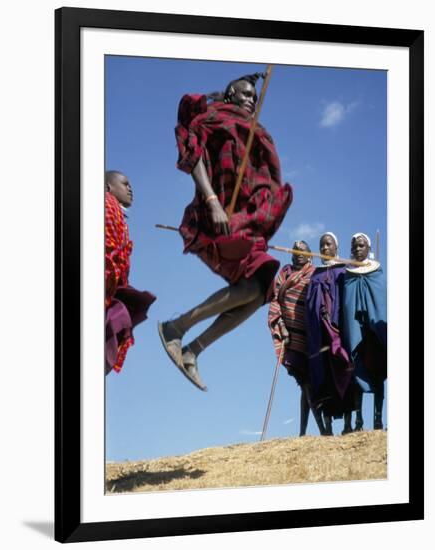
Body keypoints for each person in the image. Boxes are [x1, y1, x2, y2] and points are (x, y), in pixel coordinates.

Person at [158, 73, 292, 391]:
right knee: (259, 280)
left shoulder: (254, 131)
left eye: (254, 97)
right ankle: (176, 328)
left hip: (243, 220)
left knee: (259, 292)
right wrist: (212, 198)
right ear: (230, 94)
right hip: (216, 214)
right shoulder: (214, 119)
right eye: (244, 94)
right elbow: (193, 156)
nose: (250, 99)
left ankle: (190, 348)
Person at [268, 240, 326, 436]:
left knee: (307, 384)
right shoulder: (284, 273)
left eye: (303, 251)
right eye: (295, 251)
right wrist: (281, 326)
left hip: (312, 335)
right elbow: (275, 300)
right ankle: (322, 429)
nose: (299, 253)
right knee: (305, 382)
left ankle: (303, 431)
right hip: (291, 337)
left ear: (310, 255)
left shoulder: (316, 274)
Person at [105, 170, 156, 375]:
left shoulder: (117, 213)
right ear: (108, 187)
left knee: (119, 323)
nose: (130, 189)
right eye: (125, 184)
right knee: (118, 323)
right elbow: (107, 250)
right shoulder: (106, 205)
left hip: (111, 287)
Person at [305, 232, 356, 435]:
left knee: (345, 369)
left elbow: (349, 299)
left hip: (340, 331)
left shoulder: (344, 270)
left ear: (336, 247)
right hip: (320, 334)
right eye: (322, 245)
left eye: (328, 245)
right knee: (322, 374)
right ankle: (327, 426)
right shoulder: (315, 274)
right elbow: (309, 303)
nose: (325, 248)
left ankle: (348, 423)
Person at [342, 233, 387, 430]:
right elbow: (346, 303)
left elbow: (381, 300)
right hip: (356, 331)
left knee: (378, 372)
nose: (357, 249)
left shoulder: (377, 272)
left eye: (361, 246)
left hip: (373, 334)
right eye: (354, 247)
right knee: (356, 373)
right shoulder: (347, 274)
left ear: (368, 248)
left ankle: (377, 419)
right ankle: (358, 419)